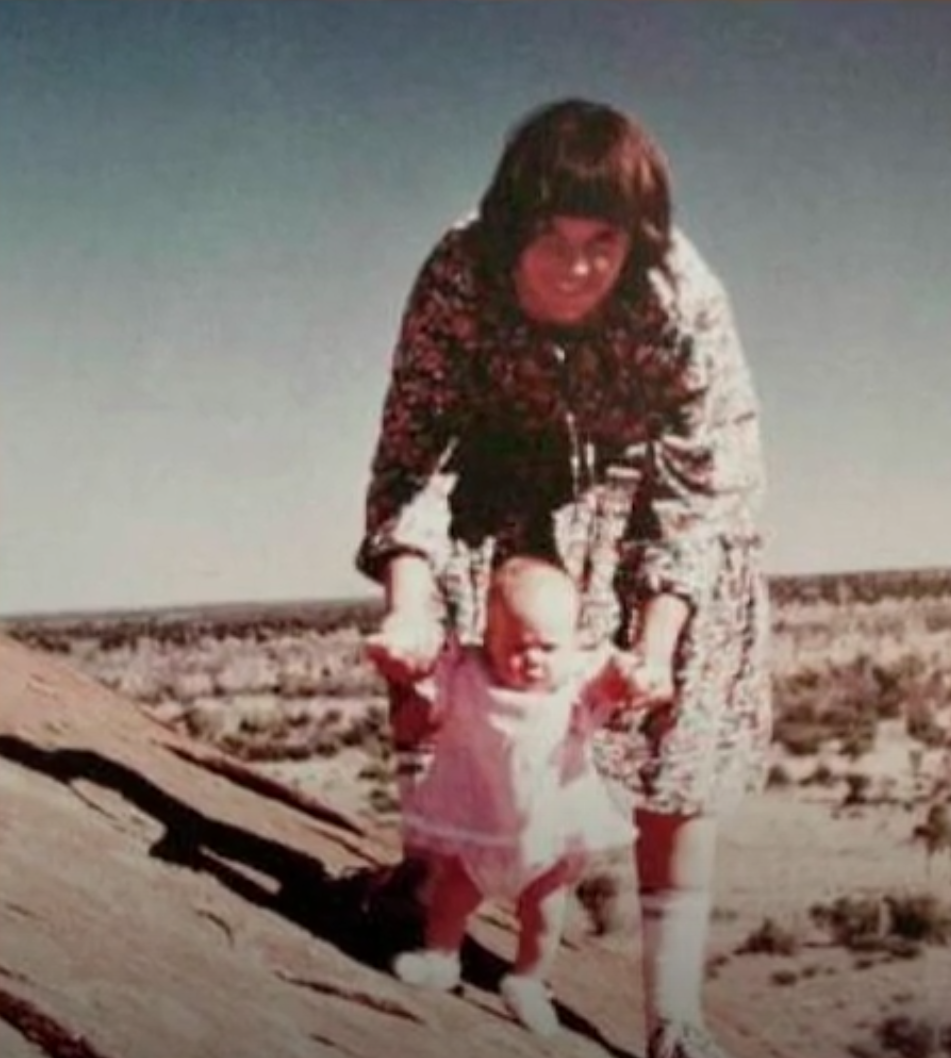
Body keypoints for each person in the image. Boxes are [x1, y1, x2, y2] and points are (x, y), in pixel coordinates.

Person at [358, 97, 771, 1058]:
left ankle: (674, 1012)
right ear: (511, 226)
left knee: (678, 738)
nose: (576, 263)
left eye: (602, 239)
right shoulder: (460, 272)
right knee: (453, 668)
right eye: (550, 234)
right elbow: (414, 450)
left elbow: (695, 494)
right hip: (513, 469)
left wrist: (656, 650)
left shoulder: (680, 300)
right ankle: (431, 884)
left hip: (669, 502)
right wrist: (412, 608)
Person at [379, 555, 637, 1036]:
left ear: (572, 642)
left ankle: (529, 980)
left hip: (549, 830)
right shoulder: (469, 677)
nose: (533, 658)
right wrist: (401, 660)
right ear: (489, 639)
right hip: (482, 824)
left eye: (548, 646)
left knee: (545, 909)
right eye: (516, 645)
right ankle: (440, 956)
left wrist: (627, 678)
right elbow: (429, 693)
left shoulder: (575, 686)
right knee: (454, 892)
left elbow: (610, 686)